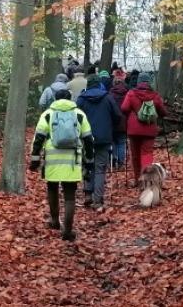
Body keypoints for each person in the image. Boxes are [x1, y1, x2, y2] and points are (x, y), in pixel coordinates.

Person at [31, 89, 93, 240]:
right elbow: (88, 139)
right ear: (71, 98)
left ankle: (54, 221)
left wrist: (35, 159)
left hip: (52, 158)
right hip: (72, 159)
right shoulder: (79, 114)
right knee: (70, 196)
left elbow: (38, 138)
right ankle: (68, 230)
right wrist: (89, 161)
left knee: (52, 189)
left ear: (55, 99)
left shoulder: (47, 114)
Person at [75, 75, 123, 209]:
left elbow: (75, 117)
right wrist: (111, 126)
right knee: (100, 168)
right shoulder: (107, 98)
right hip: (104, 138)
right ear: (99, 84)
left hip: (86, 138)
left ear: (88, 84)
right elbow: (118, 115)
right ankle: (98, 199)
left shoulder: (81, 99)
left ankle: (88, 195)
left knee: (88, 166)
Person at [121, 72, 167, 184]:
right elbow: (163, 112)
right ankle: (147, 181)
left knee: (135, 156)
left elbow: (124, 108)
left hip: (134, 130)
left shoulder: (131, 93)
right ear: (149, 82)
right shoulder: (155, 95)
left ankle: (138, 179)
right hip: (149, 129)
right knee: (147, 154)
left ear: (138, 82)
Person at [108, 72, 130, 169]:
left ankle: (114, 159)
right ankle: (121, 163)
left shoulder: (109, 94)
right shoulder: (128, 93)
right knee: (121, 142)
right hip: (124, 122)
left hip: (112, 122)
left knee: (113, 142)